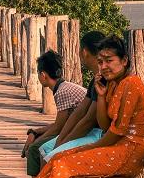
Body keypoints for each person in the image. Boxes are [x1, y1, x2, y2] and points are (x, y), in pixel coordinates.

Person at [0, 35, 144, 178]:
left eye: (109, 60)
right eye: (100, 61)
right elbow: (103, 124)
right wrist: (101, 96)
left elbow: (116, 132)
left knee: (63, 164)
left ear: (125, 60)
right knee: (58, 158)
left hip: (128, 154)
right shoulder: (112, 84)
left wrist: (87, 149)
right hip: (116, 148)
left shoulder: (131, 84)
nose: (103, 66)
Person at [36, 31, 109, 164]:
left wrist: (64, 142)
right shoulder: (95, 79)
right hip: (91, 132)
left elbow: (88, 120)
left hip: (100, 135)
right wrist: (61, 140)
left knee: (53, 157)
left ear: (85, 52)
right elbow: (79, 112)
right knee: (44, 149)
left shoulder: (103, 79)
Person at [22, 51, 87, 177]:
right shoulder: (64, 87)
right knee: (36, 144)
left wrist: (36, 140)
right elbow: (61, 124)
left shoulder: (62, 91)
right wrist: (35, 132)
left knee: (35, 149)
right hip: (78, 129)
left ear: (43, 75)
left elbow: (58, 128)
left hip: (85, 132)